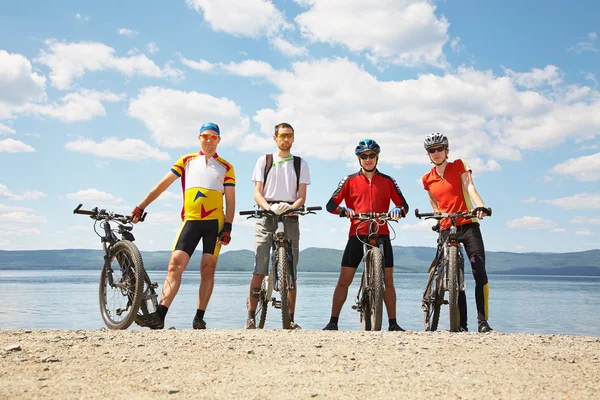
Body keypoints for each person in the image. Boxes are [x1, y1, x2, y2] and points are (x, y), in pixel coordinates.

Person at [132, 122, 235, 330]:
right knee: (175, 264)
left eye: (213, 137)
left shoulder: (226, 167)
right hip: (190, 220)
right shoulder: (186, 161)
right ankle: (159, 315)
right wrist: (141, 206)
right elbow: (162, 185)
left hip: (214, 223)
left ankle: (199, 317)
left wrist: (228, 227)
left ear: (219, 140)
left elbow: (231, 201)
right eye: (205, 136)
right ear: (199, 138)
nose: (208, 140)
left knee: (207, 269)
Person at [323, 139, 409, 331]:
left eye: (371, 155)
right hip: (357, 232)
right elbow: (330, 204)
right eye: (364, 156)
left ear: (377, 157)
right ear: (359, 159)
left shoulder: (388, 181)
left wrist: (397, 210)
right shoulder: (349, 180)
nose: (368, 159)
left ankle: (393, 323)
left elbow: (404, 205)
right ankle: (333, 322)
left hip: (382, 233)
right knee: (344, 280)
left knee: (388, 281)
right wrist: (343, 210)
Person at [421, 132, 492, 333]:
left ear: (447, 151)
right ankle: (461, 324)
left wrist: (480, 206)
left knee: (479, 271)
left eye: (439, 149)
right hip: (446, 226)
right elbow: (434, 201)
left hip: (468, 223)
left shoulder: (459, 165)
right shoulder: (427, 179)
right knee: (450, 275)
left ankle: (483, 322)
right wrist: (438, 215)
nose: (436, 153)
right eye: (431, 151)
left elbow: (469, 186)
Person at [245, 122, 310, 330]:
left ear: (293, 137)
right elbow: (257, 192)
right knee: (260, 266)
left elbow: (302, 197)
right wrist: (268, 208)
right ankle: (250, 318)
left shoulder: (300, 164)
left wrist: (291, 208)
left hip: (290, 214)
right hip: (266, 214)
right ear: (275, 138)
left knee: (291, 270)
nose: (285, 139)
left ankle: (289, 319)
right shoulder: (265, 160)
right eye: (282, 135)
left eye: (289, 135)